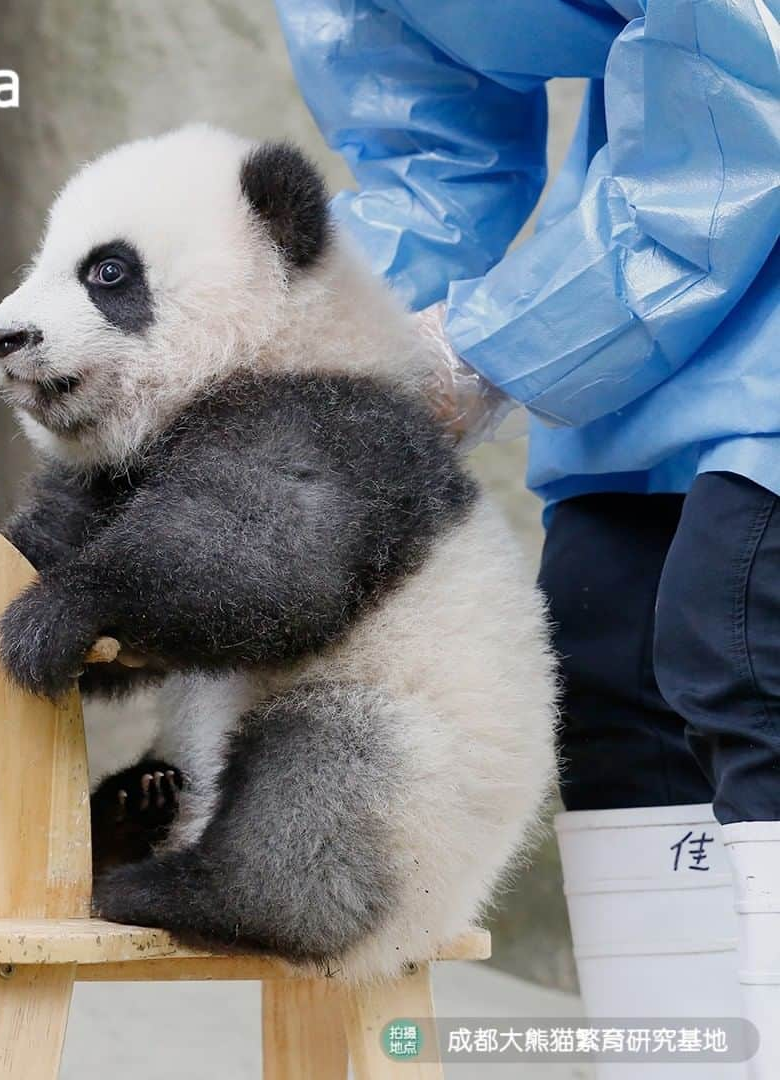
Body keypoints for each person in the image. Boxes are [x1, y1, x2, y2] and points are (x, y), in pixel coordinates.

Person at [274, 1, 780, 1075]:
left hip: (731, 167)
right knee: (604, 651)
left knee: (743, 637)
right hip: (663, 271)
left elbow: (743, 98)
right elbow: (428, 155)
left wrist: (489, 345)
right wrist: (313, 353)